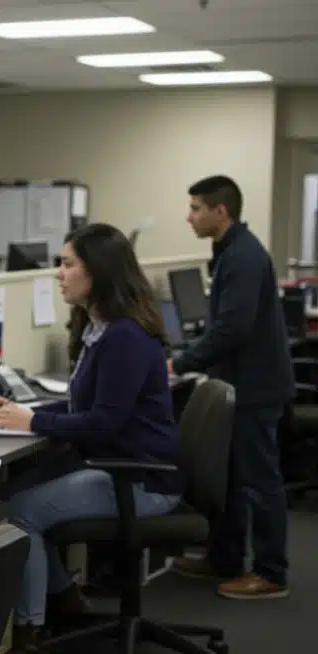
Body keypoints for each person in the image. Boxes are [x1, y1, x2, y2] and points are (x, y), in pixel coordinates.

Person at [0, 223, 184, 652]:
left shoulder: (125, 337)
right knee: (16, 491)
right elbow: (86, 406)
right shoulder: (102, 329)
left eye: (68, 263)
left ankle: (28, 630)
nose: (59, 273)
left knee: (21, 512)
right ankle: (66, 599)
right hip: (115, 465)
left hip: (139, 480)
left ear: (98, 271)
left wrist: (34, 424)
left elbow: (102, 424)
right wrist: (27, 413)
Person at [168, 175, 293, 599]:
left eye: (196, 208)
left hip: (256, 387)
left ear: (220, 211)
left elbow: (232, 328)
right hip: (242, 382)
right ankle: (224, 558)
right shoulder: (231, 252)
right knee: (235, 479)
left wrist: (181, 362)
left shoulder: (241, 256)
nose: (189, 216)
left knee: (259, 480)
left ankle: (271, 572)